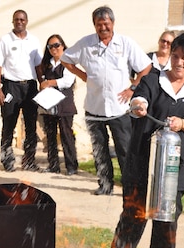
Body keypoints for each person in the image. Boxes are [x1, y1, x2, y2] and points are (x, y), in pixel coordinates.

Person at [95, 32, 184, 248]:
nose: (179, 63)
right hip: (142, 164)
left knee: (166, 219)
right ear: (170, 55)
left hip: (174, 168)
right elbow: (140, 98)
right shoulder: (152, 80)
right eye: (176, 56)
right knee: (133, 216)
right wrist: (139, 105)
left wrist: (182, 123)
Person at [61, 5, 152, 195]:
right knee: (99, 150)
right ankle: (105, 185)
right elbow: (65, 58)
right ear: (94, 25)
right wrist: (82, 74)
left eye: (106, 24)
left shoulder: (125, 43)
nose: (103, 28)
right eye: (99, 24)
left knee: (125, 150)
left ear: (113, 23)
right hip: (94, 108)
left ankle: (130, 187)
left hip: (119, 109)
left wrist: (133, 87)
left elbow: (145, 67)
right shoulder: (86, 44)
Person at [0, 9, 43, 172]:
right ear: (13, 22)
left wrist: (42, 84)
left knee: (31, 126)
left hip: (30, 86)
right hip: (10, 87)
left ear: (26, 21)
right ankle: (7, 161)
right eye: (16, 20)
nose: (19, 22)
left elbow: (38, 65)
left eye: (22, 19)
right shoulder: (5, 40)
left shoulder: (34, 41)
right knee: (8, 124)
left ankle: (29, 161)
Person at [39, 34, 78, 175]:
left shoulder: (68, 62)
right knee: (50, 136)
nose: (54, 48)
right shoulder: (47, 64)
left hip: (64, 105)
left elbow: (67, 81)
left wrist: (50, 83)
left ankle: (71, 166)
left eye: (56, 45)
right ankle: (53, 165)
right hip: (49, 105)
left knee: (66, 136)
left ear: (62, 46)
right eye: (50, 46)